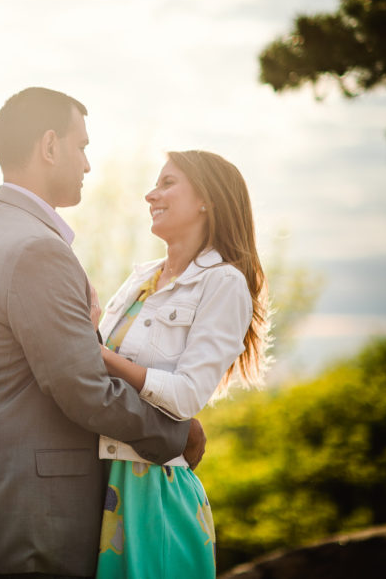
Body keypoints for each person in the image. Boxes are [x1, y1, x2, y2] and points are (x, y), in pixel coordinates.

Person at [0, 87, 206, 578]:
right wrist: (173, 431)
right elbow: (80, 388)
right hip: (33, 511)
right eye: (81, 146)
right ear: (49, 146)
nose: (87, 164)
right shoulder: (35, 250)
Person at [93, 150, 270, 578]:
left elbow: (188, 395)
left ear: (206, 199)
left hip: (154, 493)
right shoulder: (143, 276)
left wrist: (100, 356)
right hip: (100, 480)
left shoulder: (224, 282)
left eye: (168, 183)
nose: (151, 194)